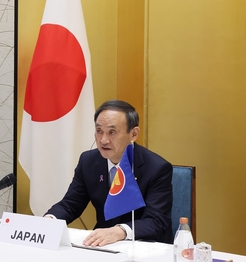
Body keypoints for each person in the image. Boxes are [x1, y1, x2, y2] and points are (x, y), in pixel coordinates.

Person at [45, 100, 173, 245]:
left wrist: (119, 231)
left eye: (112, 132)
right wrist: (50, 220)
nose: (103, 140)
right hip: (103, 245)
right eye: (99, 131)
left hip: (144, 246)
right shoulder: (88, 161)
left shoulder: (156, 168)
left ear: (133, 134)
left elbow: (156, 221)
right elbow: (71, 204)